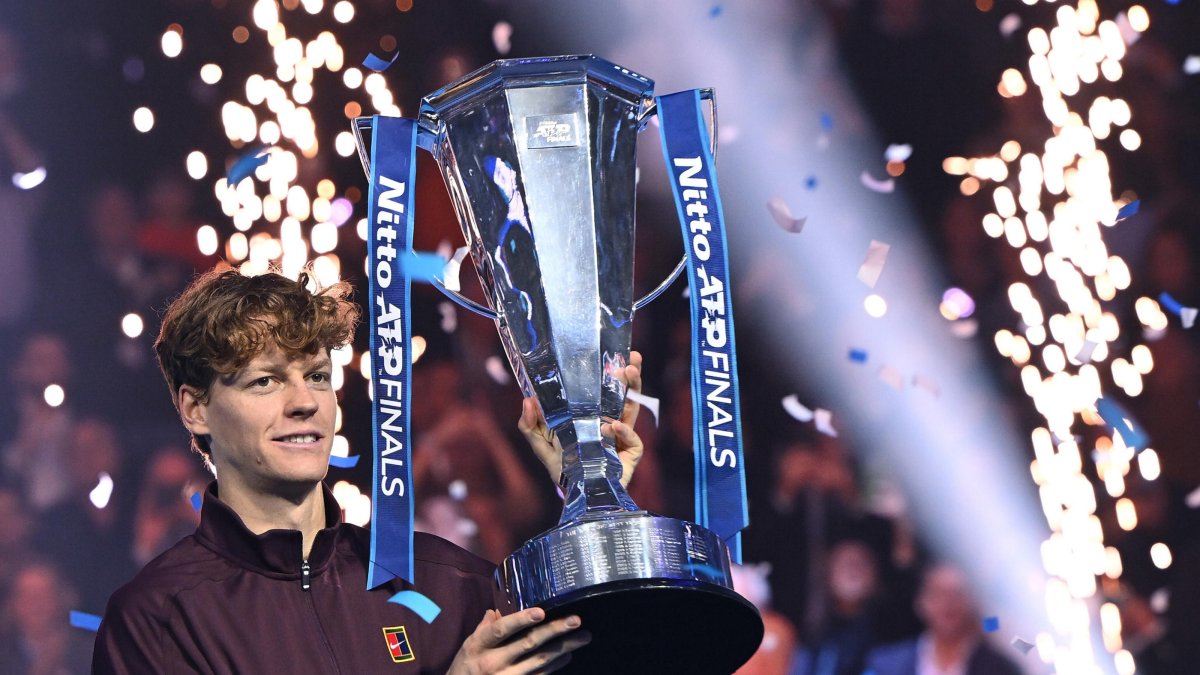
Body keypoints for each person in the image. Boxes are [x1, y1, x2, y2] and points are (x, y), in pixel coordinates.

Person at [93, 266, 647, 673]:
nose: (304, 402)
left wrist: (593, 501)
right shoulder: (157, 623)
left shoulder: (442, 580)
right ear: (196, 408)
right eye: (265, 380)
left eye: (315, 375)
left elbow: (619, 654)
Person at [863, 563, 1019, 675]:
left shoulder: (998, 664)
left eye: (957, 594)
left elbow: (1027, 645)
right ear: (921, 603)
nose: (948, 603)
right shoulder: (886, 664)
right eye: (938, 594)